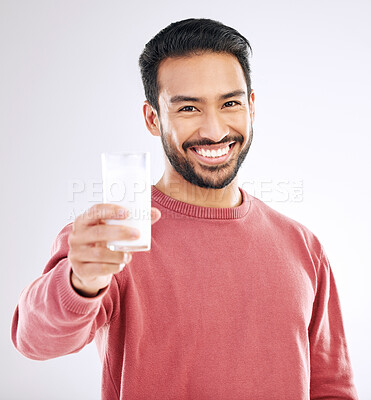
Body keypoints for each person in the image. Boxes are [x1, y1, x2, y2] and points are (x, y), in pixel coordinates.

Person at [11, 18, 358, 399]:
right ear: (152, 118)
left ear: (252, 106)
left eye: (230, 103)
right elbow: (34, 340)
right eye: (189, 108)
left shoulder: (304, 246)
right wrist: (80, 283)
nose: (214, 130)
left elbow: (331, 388)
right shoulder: (113, 238)